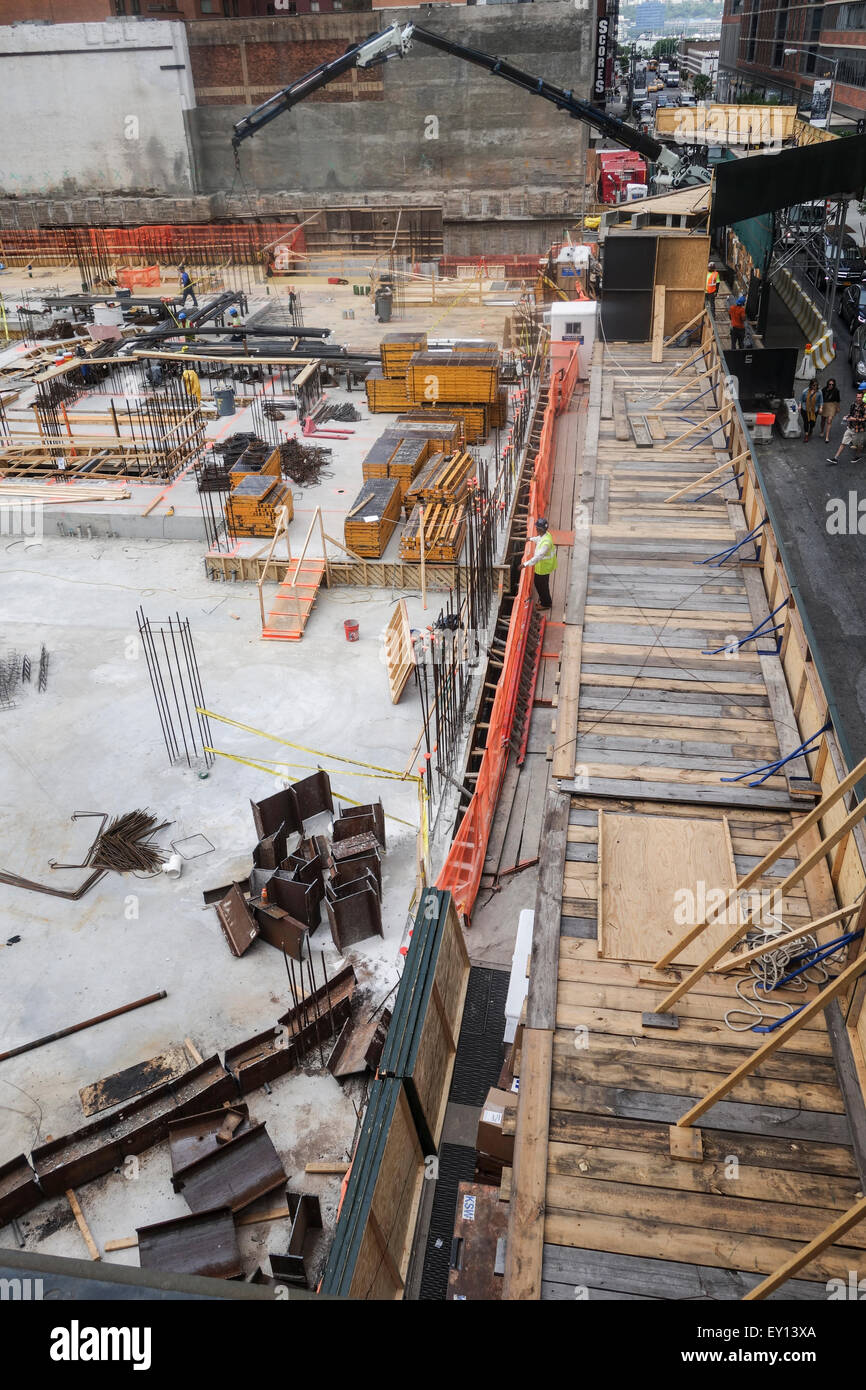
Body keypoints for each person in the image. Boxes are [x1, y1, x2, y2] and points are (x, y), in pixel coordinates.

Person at [522, 517, 557, 610]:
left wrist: (524, 564)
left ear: (541, 529)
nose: (536, 529)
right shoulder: (545, 535)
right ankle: (544, 600)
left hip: (544, 568)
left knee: (542, 586)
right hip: (542, 566)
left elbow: (538, 557)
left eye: (537, 528)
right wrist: (530, 539)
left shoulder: (546, 543)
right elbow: (539, 539)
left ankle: (546, 603)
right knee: (540, 584)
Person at [827, 386, 866, 464]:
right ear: (856, 397)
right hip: (850, 427)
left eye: (860, 397)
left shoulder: (865, 407)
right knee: (843, 443)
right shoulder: (853, 404)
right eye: (857, 397)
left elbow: (864, 419)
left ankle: (857, 456)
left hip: (859, 430)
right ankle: (835, 458)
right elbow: (851, 414)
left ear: (862, 398)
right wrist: (847, 416)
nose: (858, 399)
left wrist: (854, 419)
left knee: (858, 445)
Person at [820, 376, 841, 443]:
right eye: (830, 384)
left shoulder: (836, 391)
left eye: (832, 384)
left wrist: (837, 407)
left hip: (832, 405)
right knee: (823, 419)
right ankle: (822, 430)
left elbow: (838, 400)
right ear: (827, 384)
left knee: (829, 420)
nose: (831, 385)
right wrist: (820, 407)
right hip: (825, 405)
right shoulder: (824, 390)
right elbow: (821, 399)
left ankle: (827, 437)